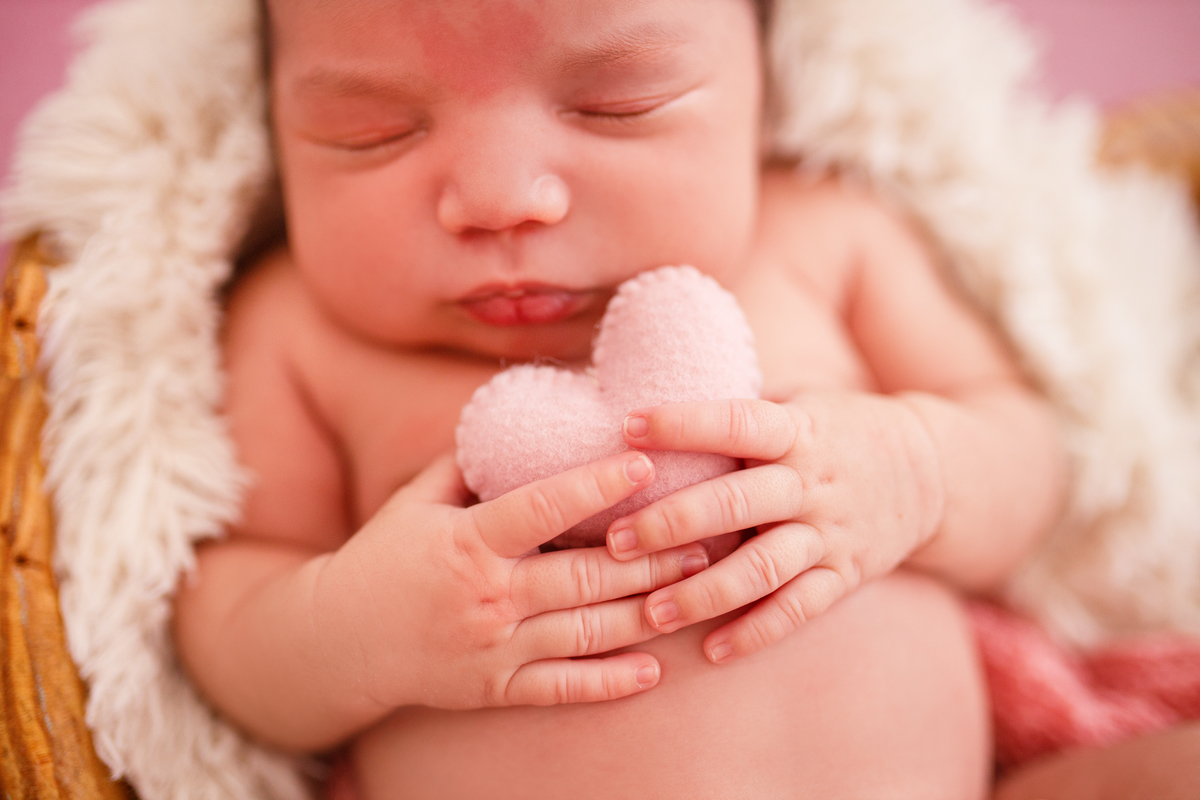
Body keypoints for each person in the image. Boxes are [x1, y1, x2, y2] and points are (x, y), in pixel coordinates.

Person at [171, 0, 1067, 797]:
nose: (500, 199)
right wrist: (355, 631)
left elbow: (1029, 450)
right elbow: (226, 611)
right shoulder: (300, 337)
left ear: (764, 91)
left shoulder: (825, 238)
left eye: (616, 106)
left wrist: (917, 468)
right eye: (371, 132)